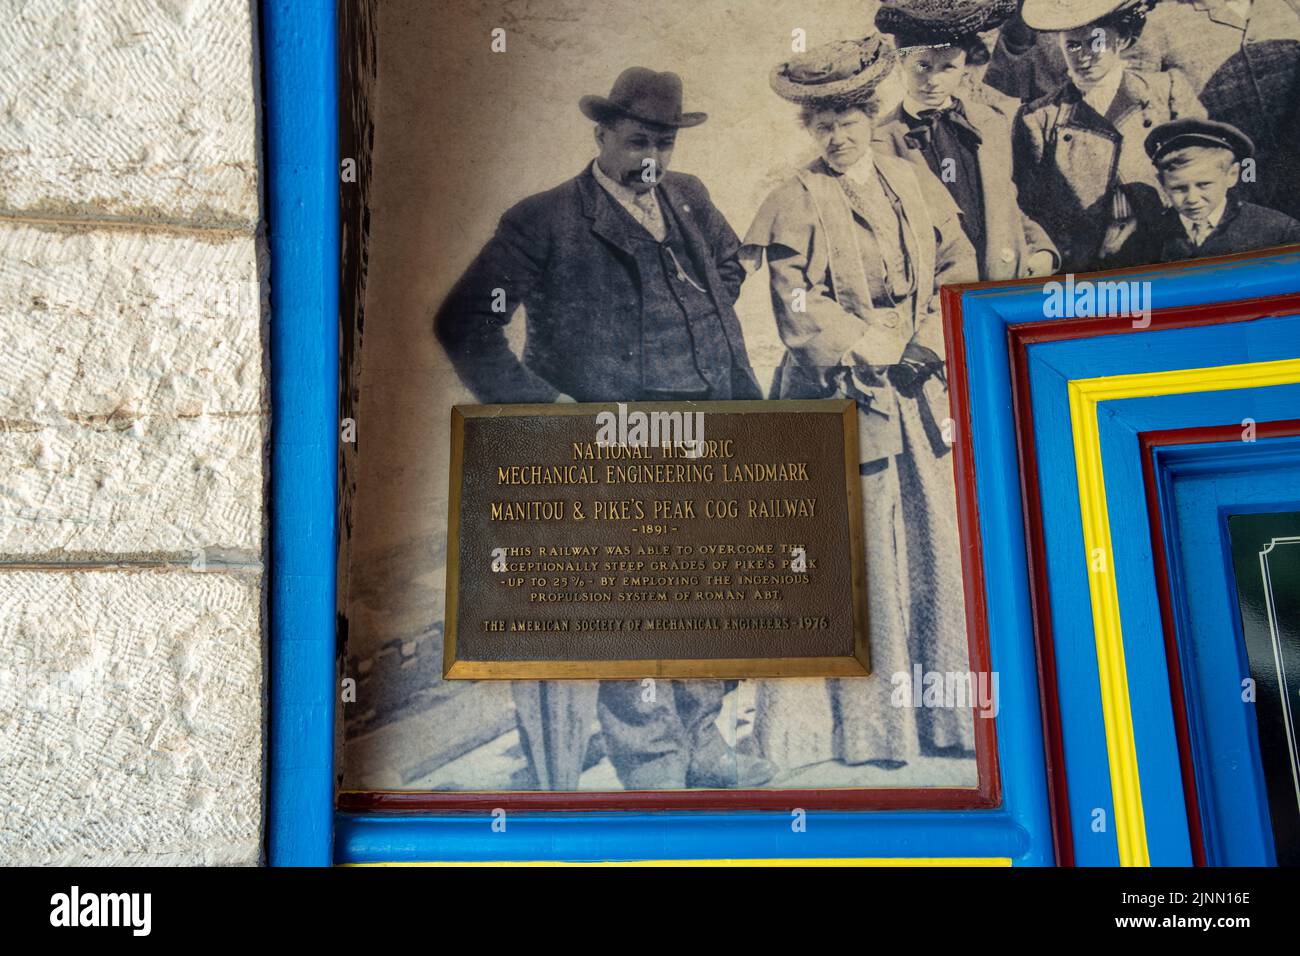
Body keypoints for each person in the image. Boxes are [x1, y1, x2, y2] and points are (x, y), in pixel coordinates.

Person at [434, 67, 773, 790]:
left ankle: (702, 736)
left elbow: (725, 264)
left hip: (708, 428)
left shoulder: (688, 197)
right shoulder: (544, 220)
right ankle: (652, 762)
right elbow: (465, 322)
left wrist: (702, 337)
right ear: (601, 135)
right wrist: (546, 410)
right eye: (637, 140)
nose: (651, 157)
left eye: (664, 144)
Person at [742, 35, 979, 769]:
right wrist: (879, 346)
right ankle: (869, 733)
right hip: (837, 398)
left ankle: (949, 721)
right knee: (859, 559)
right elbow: (798, 306)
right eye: (822, 126)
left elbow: (957, 260)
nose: (838, 138)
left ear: (871, 117)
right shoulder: (794, 200)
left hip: (915, 389)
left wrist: (931, 340)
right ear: (806, 130)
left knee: (939, 546)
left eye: (849, 121)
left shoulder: (912, 181)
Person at [989, 1, 1300, 218]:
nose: (1084, 53)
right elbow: (1128, 94)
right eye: (1074, 46)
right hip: (1195, 197)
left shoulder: (1286, 8)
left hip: (1286, 179)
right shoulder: (1165, 21)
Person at [1011, 0, 1206, 271]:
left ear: (1122, 40)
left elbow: (1203, 172)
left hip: (1168, 252)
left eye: (1096, 42)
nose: (1083, 56)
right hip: (1086, 265)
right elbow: (1028, 205)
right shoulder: (1039, 119)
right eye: (1072, 45)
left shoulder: (1164, 92)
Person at [873, 0, 1059, 280]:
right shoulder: (881, 142)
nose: (933, 80)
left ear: (965, 67)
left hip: (1003, 280)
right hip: (938, 294)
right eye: (922, 66)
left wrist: (1041, 248)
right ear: (901, 61)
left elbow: (1007, 204)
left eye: (947, 67)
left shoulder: (991, 123)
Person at [1103, 118, 1300, 265]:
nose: (1192, 199)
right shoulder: (1147, 239)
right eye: (1178, 188)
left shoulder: (1278, 231)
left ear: (1231, 176)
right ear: (1161, 183)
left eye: (1204, 185)